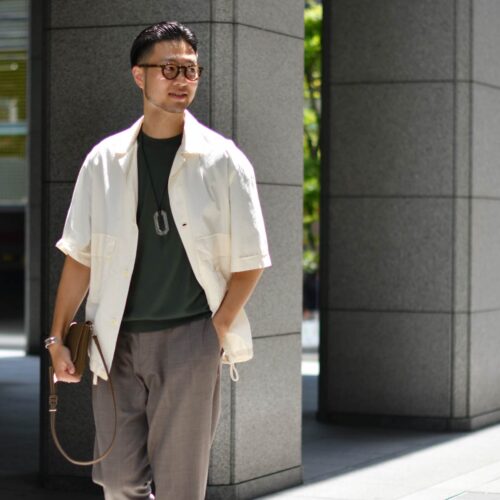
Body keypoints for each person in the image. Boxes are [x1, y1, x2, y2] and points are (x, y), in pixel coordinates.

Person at [45, 20, 271, 500]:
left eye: (191, 70)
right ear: (138, 75)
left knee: (179, 487)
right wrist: (57, 337)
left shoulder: (224, 161)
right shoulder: (104, 161)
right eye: (169, 69)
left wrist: (215, 331)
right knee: (117, 480)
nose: (182, 80)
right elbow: (80, 257)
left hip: (191, 338)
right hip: (115, 341)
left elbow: (251, 259)